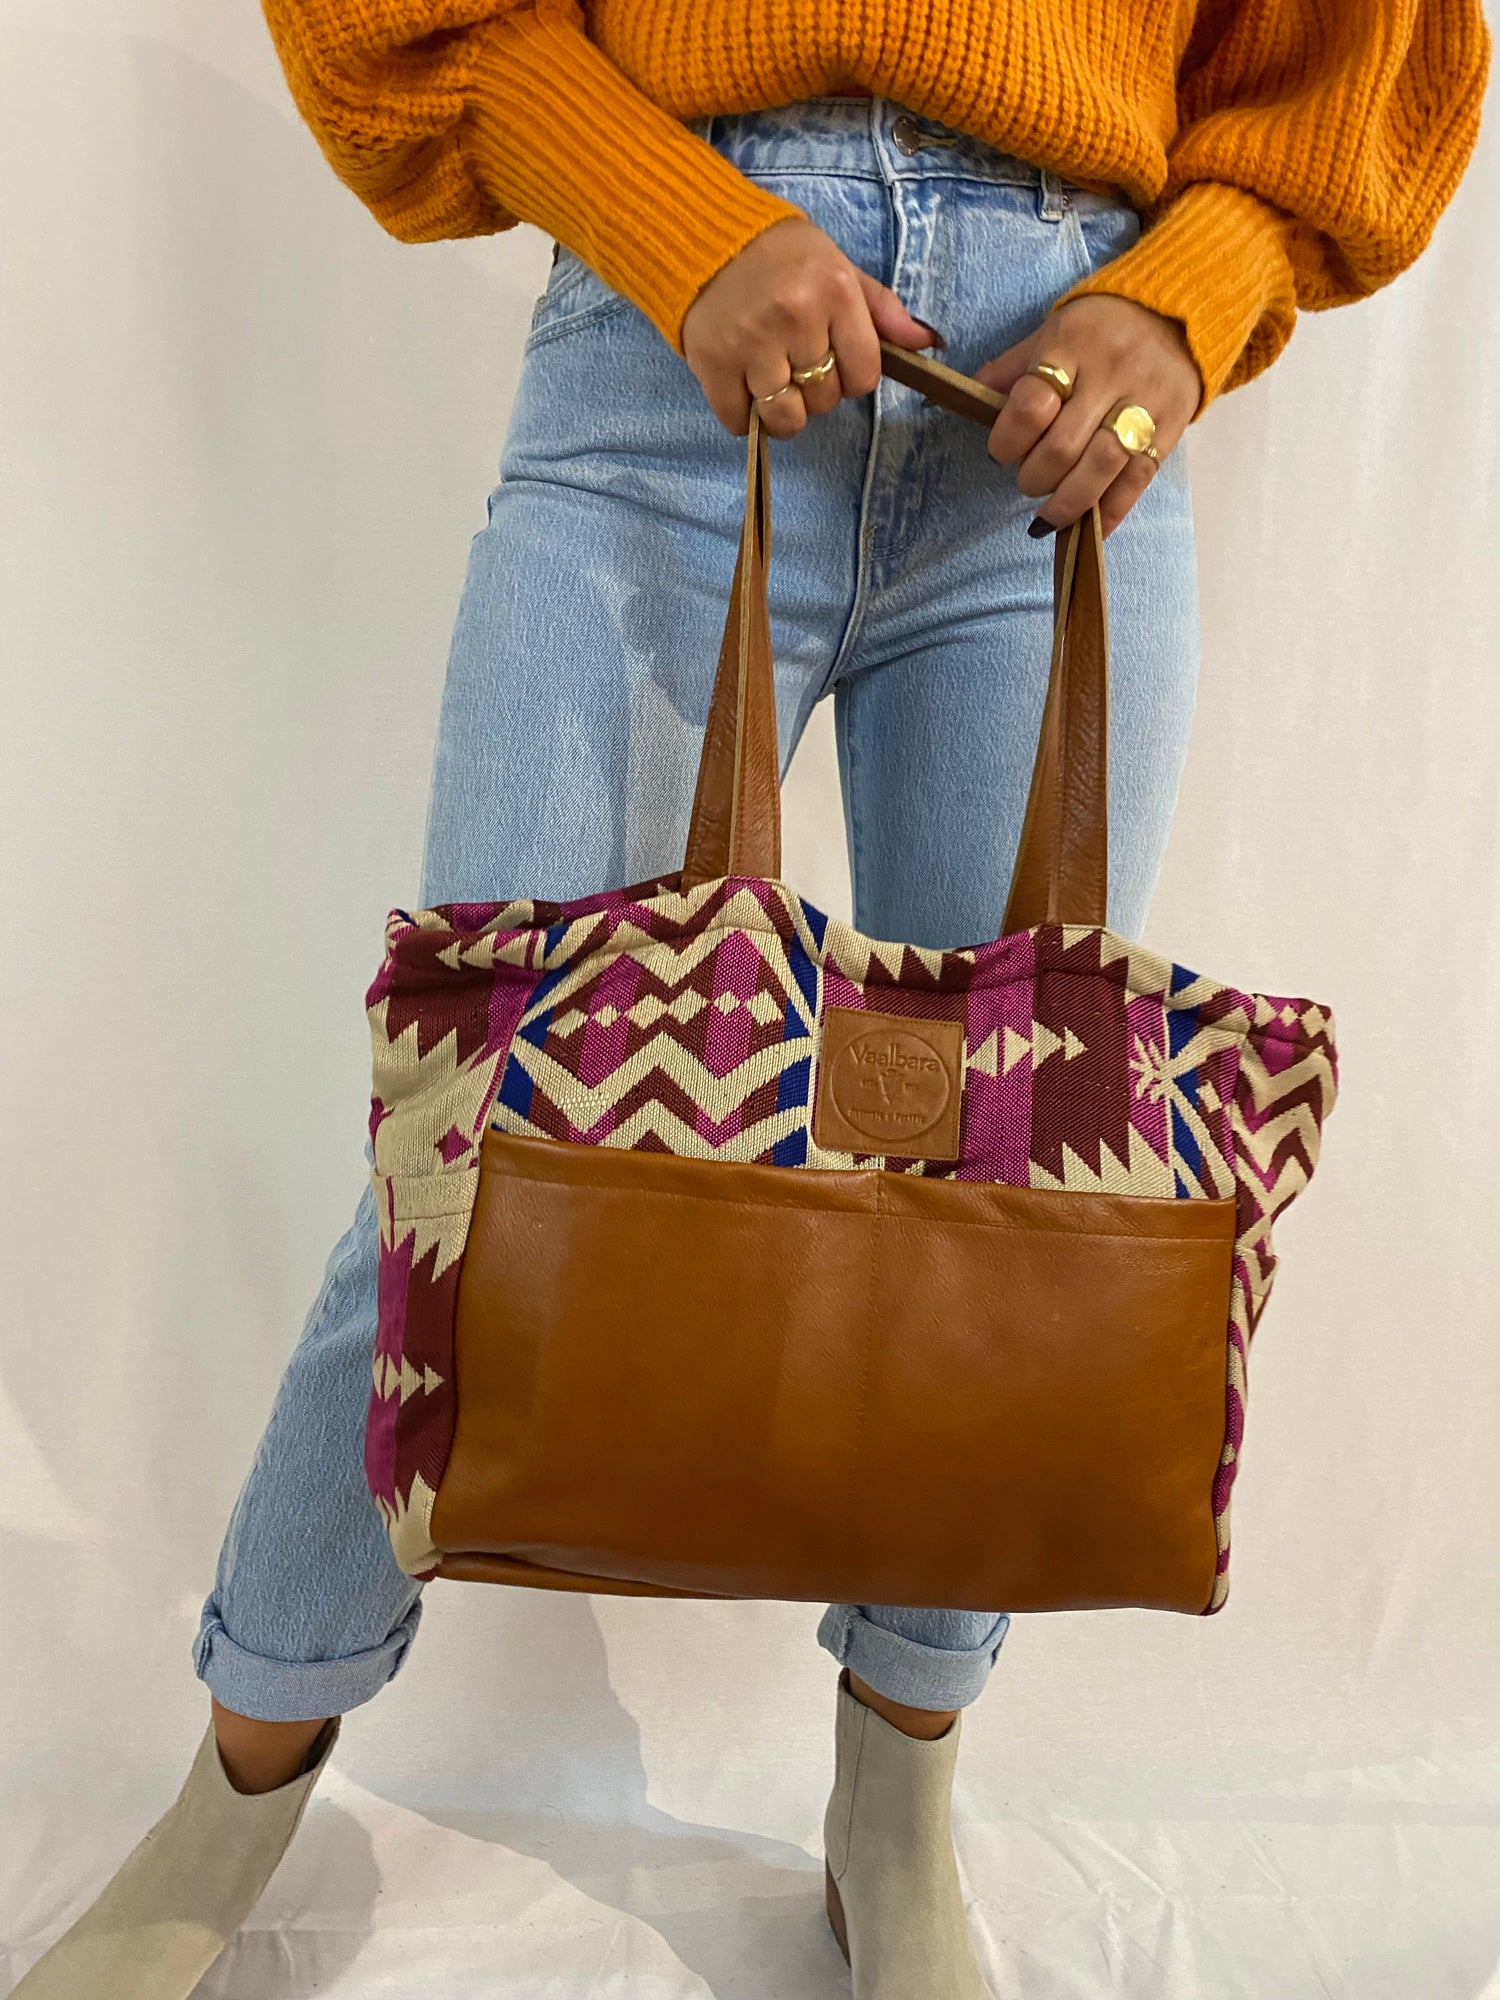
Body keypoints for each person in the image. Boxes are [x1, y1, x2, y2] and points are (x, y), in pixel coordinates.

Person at [12, 5, 1488, 1996]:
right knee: (472, 1157)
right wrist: (671, 213)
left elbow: (1363, 50)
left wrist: (1193, 289)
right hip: (670, 349)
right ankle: (236, 1783)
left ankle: (898, 1798)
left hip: (1069, 392)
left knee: (1010, 1191)